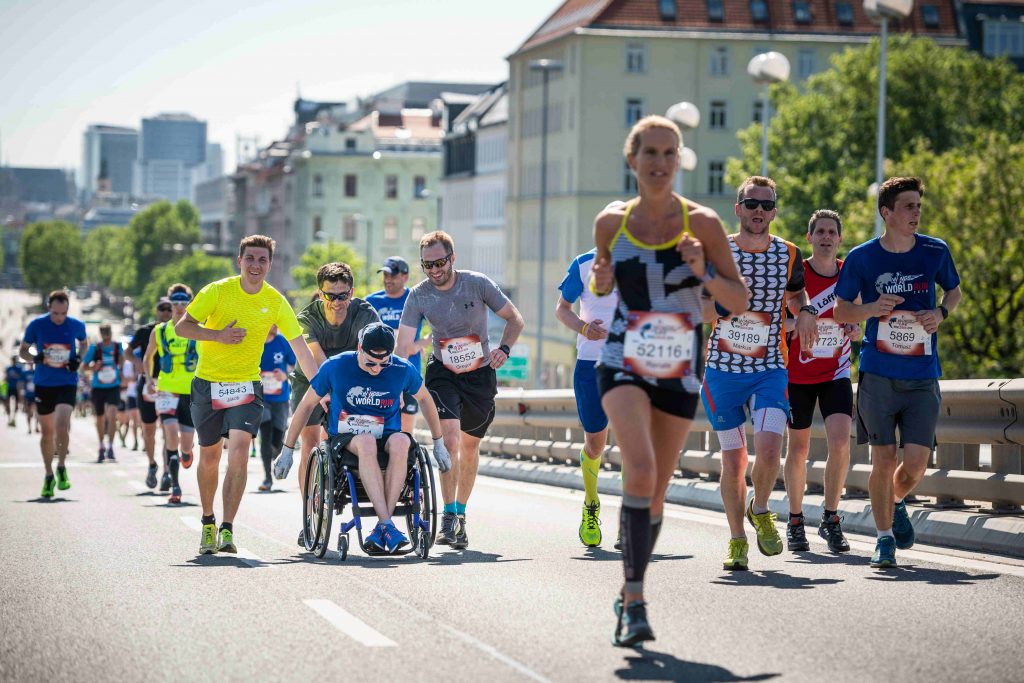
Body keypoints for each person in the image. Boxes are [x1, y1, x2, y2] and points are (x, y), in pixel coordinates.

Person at [591, 116, 748, 646]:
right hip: (623, 356)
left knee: (655, 491)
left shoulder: (701, 223)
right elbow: (601, 275)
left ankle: (628, 578)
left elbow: (738, 300)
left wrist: (703, 270)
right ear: (631, 159)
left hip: (680, 364)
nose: (660, 162)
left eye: (669, 152)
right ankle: (634, 601)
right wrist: (602, 278)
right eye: (650, 152)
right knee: (639, 471)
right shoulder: (611, 222)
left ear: (679, 160)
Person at [833, 177, 961, 568]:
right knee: (883, 459)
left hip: (923, 373)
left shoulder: (934, 251)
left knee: (918, 463)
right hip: (879, 372)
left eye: (918, 206)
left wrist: (940, 312)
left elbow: (953, 292)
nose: (916, 213)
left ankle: (898, 500)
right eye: (908, 206)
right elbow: (840, 311)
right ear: (886, 212)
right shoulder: (862, 257)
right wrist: (870, 309)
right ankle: (884, 538)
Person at [701, 176, 818, 572]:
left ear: (775, 211)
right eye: (752, 204)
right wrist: (722, 308)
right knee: (734, 461)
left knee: (770, 450)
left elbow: (797, 293)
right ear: (738, 208)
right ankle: (736, 540)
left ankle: (761, 508)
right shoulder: (718, 253)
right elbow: (696, 306)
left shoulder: (788, 253)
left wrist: (804, 312)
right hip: (722, 373)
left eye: (767, 206)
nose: (759, 212)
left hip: (769, 369)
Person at [176, 235, 318, 555]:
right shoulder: (217, 291)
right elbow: (183, 328)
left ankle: (227, 528)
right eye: (250, 258)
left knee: (239, 450)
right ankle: (208, 521)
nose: (256, 265)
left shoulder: (276, 301)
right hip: (208, 383)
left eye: (262, 260)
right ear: (239, 261)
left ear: (270, 264)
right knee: (210, 455)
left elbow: (301, 349)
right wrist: (218, 336)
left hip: (246, 385)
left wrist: (320, 388)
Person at [396, 230, 525, 550]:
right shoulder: (419, 295)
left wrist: (504, 350)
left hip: (480, 374)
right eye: (427, 265)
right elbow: (402, 345)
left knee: (469, 447)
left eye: (440, 262)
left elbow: (515, 319)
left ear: (453, 258)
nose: (434, 270)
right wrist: (397, 383)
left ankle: (461, 514)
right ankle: (449, 516)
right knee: (450, 439)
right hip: (443, 372)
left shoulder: (477, 283)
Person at [274, 323, 452, 553]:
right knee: (366, 440)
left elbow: (426, 400)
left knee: (402, 442)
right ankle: (388, 524)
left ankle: (382, 526)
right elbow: (306, 405)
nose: (377, 369)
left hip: (387, 436)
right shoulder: (335, 366)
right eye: (370, 362)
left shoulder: (401, 368)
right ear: (359, 348)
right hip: (347, 438)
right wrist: (288, 449)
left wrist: (439, 443)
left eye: (383, 363)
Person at [782, 210, 862, 553]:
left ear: (840, 239)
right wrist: (801, 324)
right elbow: (779, 325)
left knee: (841, 443)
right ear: (810, 236)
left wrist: (853, 328)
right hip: (797, 374)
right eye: (821, 232)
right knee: (798, 449)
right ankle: (796, 519)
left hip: (836, 372)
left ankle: (831, 519)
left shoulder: (849, 274)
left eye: (832, 232)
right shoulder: (798, 275)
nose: (827, 237)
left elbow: (857, 322)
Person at [289, 262, 379, 545]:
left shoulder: (365, 313)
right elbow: (316, 358)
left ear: (351, 292)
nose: (337, 302)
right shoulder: (307, 317)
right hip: (312, 377)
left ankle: (339, 483)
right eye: (330, 296)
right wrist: (328, 393)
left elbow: (376, 350)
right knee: (311, 441)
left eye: (342, 295)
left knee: (337, 437)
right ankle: (310, 512)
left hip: (353, 379)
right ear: (320, 294)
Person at [555, 245, 620, 548]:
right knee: (596, 443)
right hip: (590, 365)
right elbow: (562, 309)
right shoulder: (583, 263)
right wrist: (583, 327)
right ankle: (591, 503)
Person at [20, 291, 88, 498]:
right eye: (56, 313)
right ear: (49, 307)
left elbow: (84, 344)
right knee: (47, 433)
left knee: (61, 424)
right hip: (44, 383)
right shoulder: (37, 325)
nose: (60, 318)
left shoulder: (76, 325)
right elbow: (23, 351)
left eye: (64, 313)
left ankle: (61, 466)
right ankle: (49, 475)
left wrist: (78, 359)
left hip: (67, 382)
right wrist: (36, 357)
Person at [144, 285, 199, 505]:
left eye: (183, 302)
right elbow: (148, 357)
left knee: (185, 444)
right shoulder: (159, 331)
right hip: (166, 390)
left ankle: (186, 454)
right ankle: (175, 486)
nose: (178, 307)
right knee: (170, 436)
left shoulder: (198, 330)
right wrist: (149, 381)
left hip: (191, 393)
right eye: (174, 302)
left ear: (190, 303)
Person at [366, 256, 432, 434]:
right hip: (377, 372)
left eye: (393, 276)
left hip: (408, 372)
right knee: (377, 430)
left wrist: (420, 343)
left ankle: (405, 460)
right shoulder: (372, 301)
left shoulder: (416, 298)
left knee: (406, 432)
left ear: (405, 277)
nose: (388, 279)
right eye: (385, 275)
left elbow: (441, 325)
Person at [129, 299, 173, 490]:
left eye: (169, 309)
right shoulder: (146, 331)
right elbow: (127, 352)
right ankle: (152, 464)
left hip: (169, 384)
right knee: (148, 429)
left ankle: (167, 472)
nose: (165, 312)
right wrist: (137, 364)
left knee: (168, 429)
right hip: (148, 383)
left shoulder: (178, 330)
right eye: (162, 309)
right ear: (156, 311)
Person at [257, 325, 295, 491]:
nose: (273, 325)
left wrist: (284, 374)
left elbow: (292, 363)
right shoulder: (255, 341)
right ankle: (267, 477)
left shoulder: (282, 341)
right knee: (265, 434)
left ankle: (276, 454)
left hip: (280, 396)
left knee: (278, 437)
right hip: (260, 397)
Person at [83, 324, 125, 462]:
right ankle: (101, 445)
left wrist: (121, 370)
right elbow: (84, 367)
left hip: (113, 386)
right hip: (98, 387)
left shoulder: (118, 347)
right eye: (104, 332)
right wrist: (93, 367)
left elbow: (122, 363)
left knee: (112, 415)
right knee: (100, 418)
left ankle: (111, 446)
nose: (107, 334)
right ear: (100, 333)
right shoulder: (95, 348)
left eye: (108, 332)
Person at [121, 351, 141, 451]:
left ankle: (144, 441)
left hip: (142, 394)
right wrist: (132, 378)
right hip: (131, 394)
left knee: (141, 421)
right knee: (134, 420)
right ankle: (136, 441)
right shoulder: (128, 364)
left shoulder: (144, 360)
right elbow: (124, 381)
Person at [4, 356, 24, 427]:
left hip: (16, 388)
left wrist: (21, 390)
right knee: (7, 403)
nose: (14, 361)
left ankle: (14, 418)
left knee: (16, 404)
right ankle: (9, 418)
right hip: (9, 388)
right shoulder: (8, 368)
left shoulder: (20, 368)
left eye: (15, 360)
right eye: (13, 360)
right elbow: (5, 378)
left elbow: (21, 380)